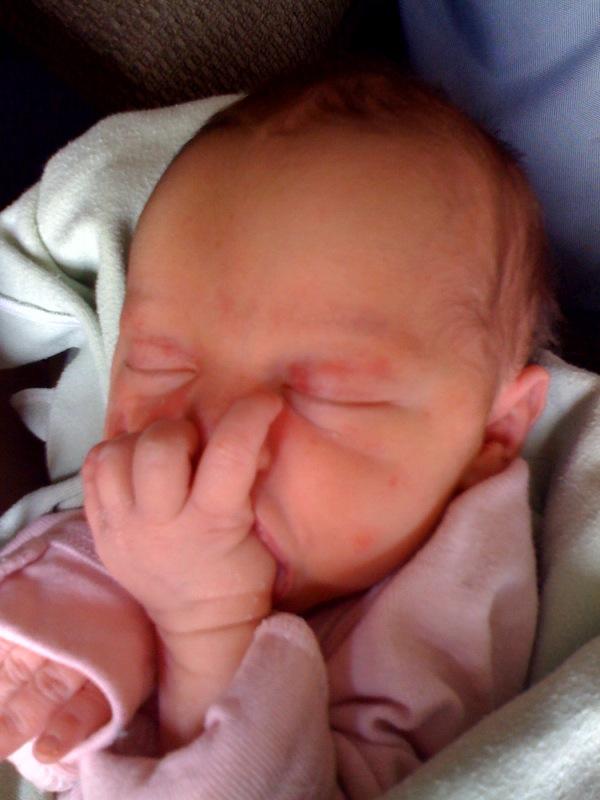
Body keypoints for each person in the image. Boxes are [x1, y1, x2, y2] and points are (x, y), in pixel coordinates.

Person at [0, 61, 555, 798]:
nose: (214, 436)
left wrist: (207, 628)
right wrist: (56, 619)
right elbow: (84, 542)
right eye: (159, 363)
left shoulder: (448, 609)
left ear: (493, 434)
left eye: (329, 391)